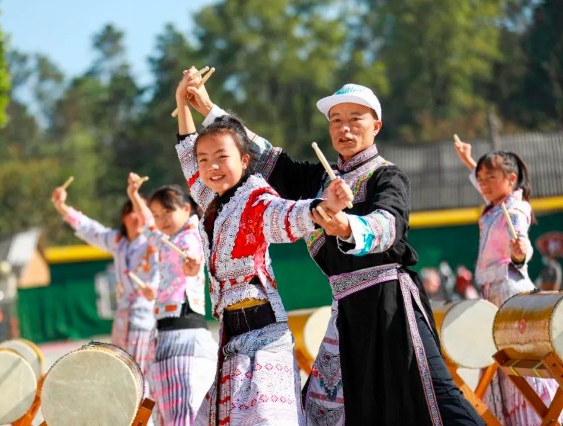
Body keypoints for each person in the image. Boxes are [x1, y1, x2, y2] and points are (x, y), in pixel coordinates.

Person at [186, 77, 484, 425]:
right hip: (345, 308)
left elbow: (389, 224)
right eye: (336, 120)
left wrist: (345, 227)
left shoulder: (386, 176)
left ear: (376, 125)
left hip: (390, 302)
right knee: (322, 411)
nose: (343, 127)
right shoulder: (319, 183)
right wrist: (208, 109)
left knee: (435, 395)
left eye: (355, 118)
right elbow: (264, 156)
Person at [171, 69, 354, 425]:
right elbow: (187, 157)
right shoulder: (210, 200)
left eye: (221, 157)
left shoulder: (255, 196)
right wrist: (181, 103)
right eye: (205, 160)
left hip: (262, 336)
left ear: (243, 159)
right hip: (231, 335)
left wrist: (325, 207)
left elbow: (287, 216)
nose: (211, 167)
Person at [454, 140, 562, 425]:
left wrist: (520, 252)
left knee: (520, 365)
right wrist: (469, 160)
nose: (484, 184)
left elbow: (522, 241)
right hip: (493, 296)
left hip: (510, 294)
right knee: (503, 367)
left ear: (511, 179)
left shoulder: (515, 208)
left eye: (491, 177)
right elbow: (485, 184)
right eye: (480, 178)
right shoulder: (495, 204)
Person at [50, 184, 159, 399]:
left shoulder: (153, 244)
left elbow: (159, 273)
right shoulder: (117, 242)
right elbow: (89, 229)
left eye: (142, 211)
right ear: (124, 217)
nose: (137, 216)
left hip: (144, 318)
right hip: (122, 318)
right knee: (119, 371)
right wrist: (61, 206)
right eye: (131, 211)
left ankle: (142, 419)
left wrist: (154, 288)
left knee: (138, 373)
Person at [128, 179, 218, 426]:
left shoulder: (192, 236)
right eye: (157, 214)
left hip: (184, 329)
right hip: (166, 330)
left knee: (185, 406)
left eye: (167, 211)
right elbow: (147, 228)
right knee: (168, 410)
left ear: (186, 209)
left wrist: (192, 268)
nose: (161, 219)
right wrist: (135, 196)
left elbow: (194, 261)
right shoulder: (168, 240)